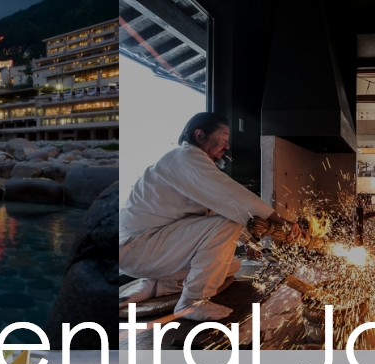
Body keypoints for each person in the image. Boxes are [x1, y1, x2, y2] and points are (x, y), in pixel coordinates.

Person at [119, 112, 296, 321]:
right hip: (137, 247)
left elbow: (216, 212)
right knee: (228, 223)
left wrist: (252, 243)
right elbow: (230, 198)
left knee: (231, 265)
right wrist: (281, 221)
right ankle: (192, 302)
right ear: (200, 135)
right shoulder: (185, 157)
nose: (227, 146)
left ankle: (159, 284)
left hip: (154, 247)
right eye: (223, 138)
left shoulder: (193, 166)